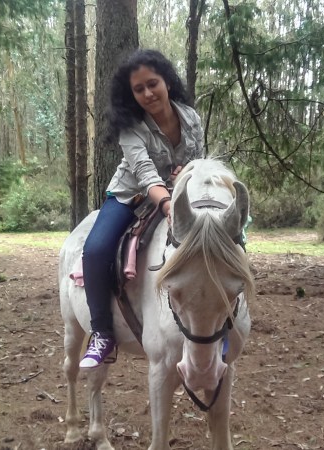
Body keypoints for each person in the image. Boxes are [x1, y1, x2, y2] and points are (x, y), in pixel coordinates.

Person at [79, 49, 204, 369]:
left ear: (167, 82)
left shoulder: (191, 117)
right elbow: (145, 175)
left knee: (216, 239)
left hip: (177, 195)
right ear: (132, 95)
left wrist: (185, 175)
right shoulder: (131, 127)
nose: (148, 93)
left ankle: (218, 321)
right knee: (95, 250)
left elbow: (197, 162)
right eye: (139, 89)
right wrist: (168, 203)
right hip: (130, 197)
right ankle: (102, 333)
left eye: (153, 84)